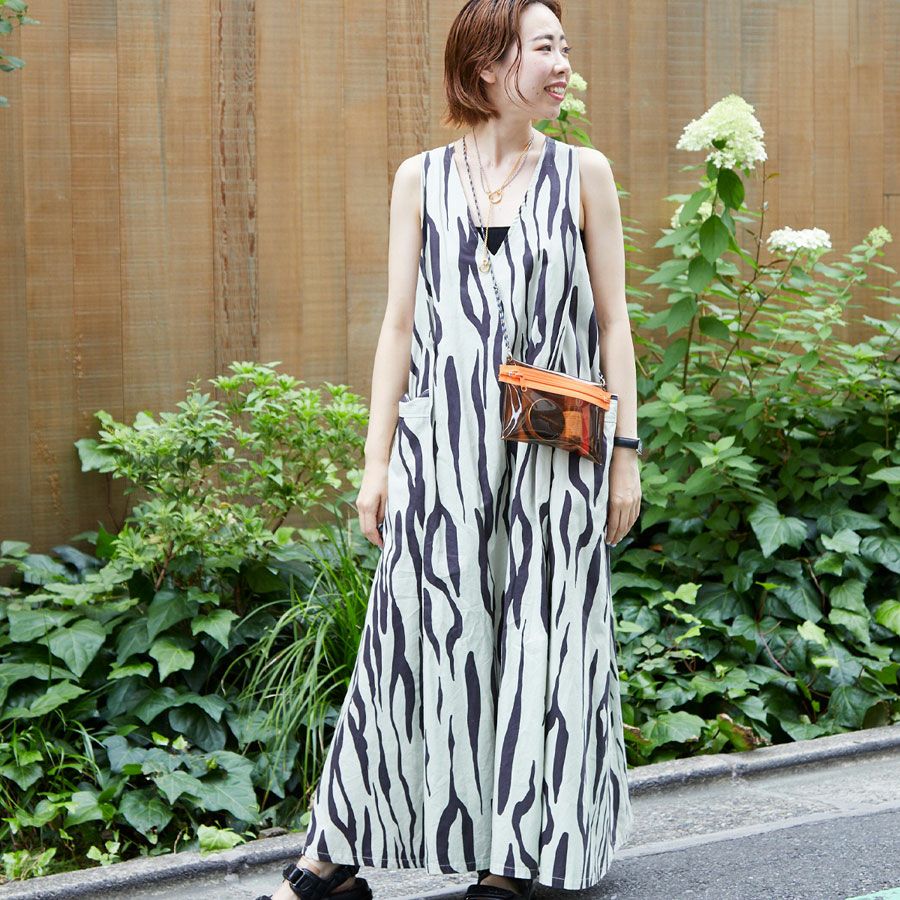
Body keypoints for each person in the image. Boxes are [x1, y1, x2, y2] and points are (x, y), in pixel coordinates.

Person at [258, 1, 641, 898]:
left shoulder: (583, 173)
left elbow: (615, 321)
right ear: (486, 65)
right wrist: (376, 462)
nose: (562, 63)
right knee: (415, 639)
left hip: (556, 455)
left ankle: (512, 863)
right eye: (544, 47)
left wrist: (626, 451)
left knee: (544, 644)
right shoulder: (421, 179)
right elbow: (399, 325)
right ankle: (332, 859)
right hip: (443, 455)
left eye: (564, 46)